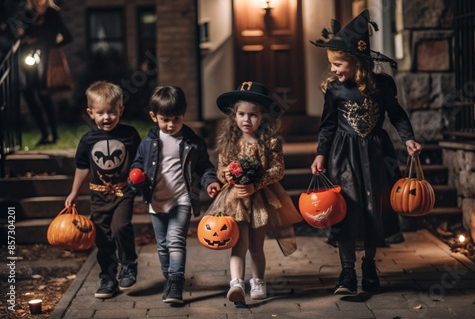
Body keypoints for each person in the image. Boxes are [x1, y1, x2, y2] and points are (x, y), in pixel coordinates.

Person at [309, 9, 422, 295]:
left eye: (338, 63)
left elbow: (396, 115)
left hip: (376, 153)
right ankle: (347, 272)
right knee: (345, 209)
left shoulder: (382, 85)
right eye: (332, 64)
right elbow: (328, 125)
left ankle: (369, 265)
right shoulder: (334, 90)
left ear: (356, 61)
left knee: (375, 209)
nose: (333, 69)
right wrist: (321, 154)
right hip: (343, 155)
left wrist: (408, 139)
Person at [205, 82, 303, 305]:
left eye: (253, 115)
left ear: (263, 117)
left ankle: (258, 281)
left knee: (256, 246)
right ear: (234, 116)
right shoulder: (230, 142)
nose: (246, 120)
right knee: (238, 244)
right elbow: (221, 168)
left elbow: (278, 170)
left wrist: (256, 183)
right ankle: (236, 283)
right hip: (235, 200)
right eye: (241, 114)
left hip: (260, 198)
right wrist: (228, 176)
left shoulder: (270, 142)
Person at [130, 86, 221, 304]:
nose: (171, 125)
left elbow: (205, 167)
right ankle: (169, 277)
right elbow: (138, 164)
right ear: (154, 116)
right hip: (156, 199)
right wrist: (136, 178)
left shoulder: (192, 142)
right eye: (165, 119)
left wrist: (211, 181)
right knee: (162, 244)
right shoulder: (148, 142)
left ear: (184, 114)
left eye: (176, 119)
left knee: (175, 240)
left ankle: (176, 281)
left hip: (182, 198)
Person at [65, 81, 140, 299]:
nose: (106, 117)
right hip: (98, 194)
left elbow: (140, 162)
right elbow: (82, 167)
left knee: (121, 226)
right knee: (103, 236)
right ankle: (107, 277)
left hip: (123, 192)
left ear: (121, 110)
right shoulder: (88, 140)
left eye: (111, 112)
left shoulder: (130, 134)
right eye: (100, 113)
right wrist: (74, 193)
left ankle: (129, 264)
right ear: (90, 113)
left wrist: (143, 182)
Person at [18, 0, 73, 145]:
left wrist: (52, 46)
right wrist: (25, 39)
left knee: (44, 95)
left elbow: (68, 36)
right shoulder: (28, 15)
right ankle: (44, 133)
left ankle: (54, 135)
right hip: (31, 60)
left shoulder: (52, 13)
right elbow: (24, 36)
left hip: (47, 61)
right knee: (28, 92)